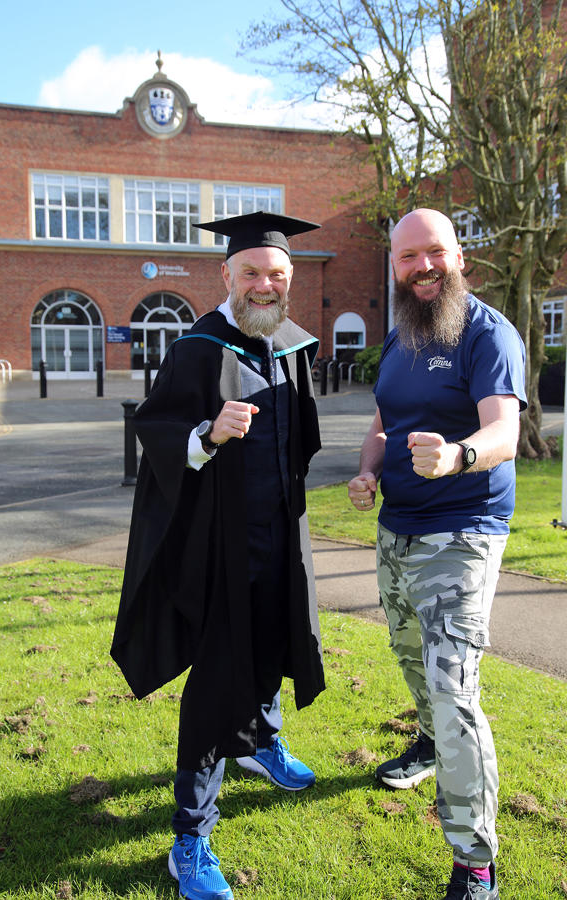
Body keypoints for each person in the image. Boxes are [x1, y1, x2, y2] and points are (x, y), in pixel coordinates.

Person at [111, 211, 325, 900]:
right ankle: (190, 837)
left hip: (281, 538)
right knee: (213, 691)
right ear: (225, 274)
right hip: (218, 547)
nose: (265, 284)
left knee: (274, 645)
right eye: (253, 272)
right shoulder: (197, 348)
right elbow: (159, 429)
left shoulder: (293, 346)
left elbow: (304, 441)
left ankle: (264, 743)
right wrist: (208, 432)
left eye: (277, 275)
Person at [348, 208, 527, 900]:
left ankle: (475, 861)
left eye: (433, 253)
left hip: (465, 527)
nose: (421, 267)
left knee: (454, 686)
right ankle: (427, 743)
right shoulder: (400, 338)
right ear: (392, 266)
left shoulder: (487, 333)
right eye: (406, 258)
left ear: (458, 256)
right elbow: (382, 423)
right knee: (406, 653)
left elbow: (505, 432)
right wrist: (366, 472)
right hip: (398, 529)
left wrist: (457, 456)